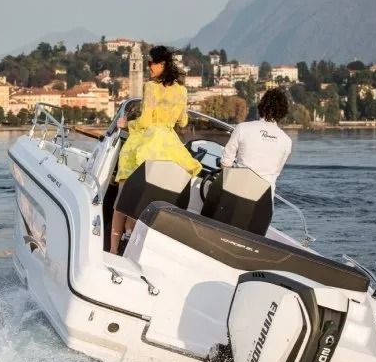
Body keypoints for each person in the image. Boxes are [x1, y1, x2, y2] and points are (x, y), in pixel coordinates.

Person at [110, 46, 201, 254]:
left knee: (122, 200)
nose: (149, 67)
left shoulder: (151, 87)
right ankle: (133, 244)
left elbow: (145, 120)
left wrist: (127, 125)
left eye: (151, 63)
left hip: (146, 142)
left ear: (163, 64)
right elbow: (183, 120)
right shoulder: (182, 91)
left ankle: (114, 250)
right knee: (150, 200)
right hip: (170, 147)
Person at [220, 88, 292, 189]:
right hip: (264, 198)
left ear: (261, 107)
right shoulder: (287, 141)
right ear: (283, 112)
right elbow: (276, 172)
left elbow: (226, 163)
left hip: (237, 192)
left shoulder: (242, 128)